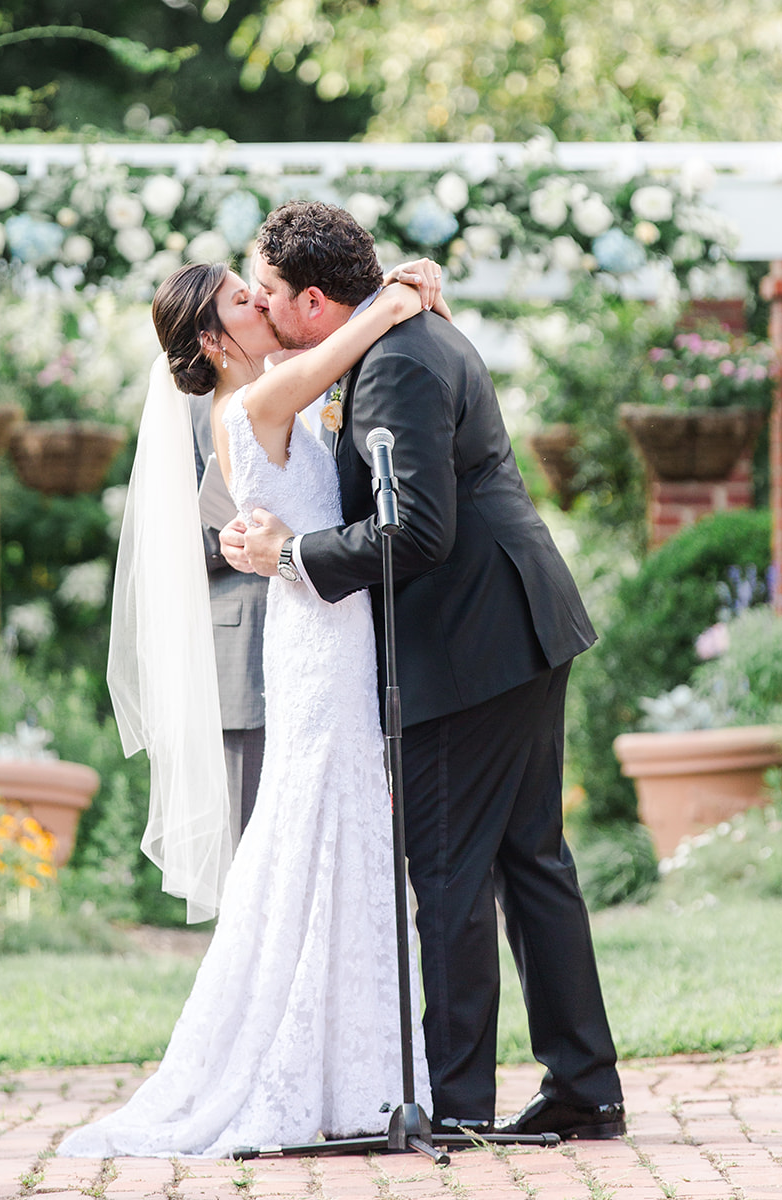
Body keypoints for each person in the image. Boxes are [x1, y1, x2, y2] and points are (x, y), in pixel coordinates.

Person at [221, 200, 625, 1143]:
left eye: (271, 294)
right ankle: (585, 1087)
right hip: (518, 624)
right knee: (531, 862)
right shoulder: (403, 334)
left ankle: (456, 1104)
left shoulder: (395, 362)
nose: (265, 309)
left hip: (471, 643)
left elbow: (416, 532)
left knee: (448, 870)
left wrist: (293, 553)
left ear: (314, 302)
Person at [59, 255, 445, 1160]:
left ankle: (355, 1073)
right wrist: (392, 292)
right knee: (312, 832)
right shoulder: (248, 407)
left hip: (328, 632)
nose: (263, 302)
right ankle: (292, 1061)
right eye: (244, 298)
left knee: (344, 833)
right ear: (212, 339)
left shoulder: (272, 394)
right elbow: (350, 338)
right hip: (314, 645)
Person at [188, 393, 266, 845]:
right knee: (248, 841)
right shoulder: (195, 403)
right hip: (245, 646)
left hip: (334, 635)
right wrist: (233, 536)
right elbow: (167, 530)